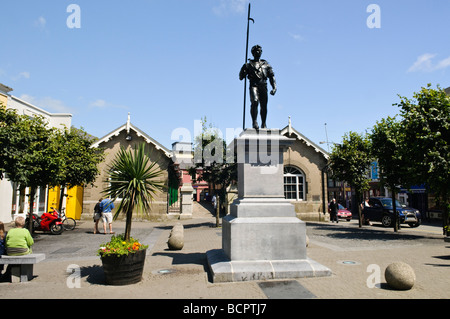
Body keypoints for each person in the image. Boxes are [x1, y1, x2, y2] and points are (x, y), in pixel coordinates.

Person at [239, 45, 277, 130]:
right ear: (252, 53)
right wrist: (243, 71)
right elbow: (241, 77)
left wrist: (274, 87)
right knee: (255, 101)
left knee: (264, 106)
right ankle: (254, 121)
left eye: (259, 51)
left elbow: (272, 77)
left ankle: (263, 123)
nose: (258, 52)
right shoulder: (248, 65)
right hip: (254, 85)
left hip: (263, 85)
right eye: (256, 51)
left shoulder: (266, 65)